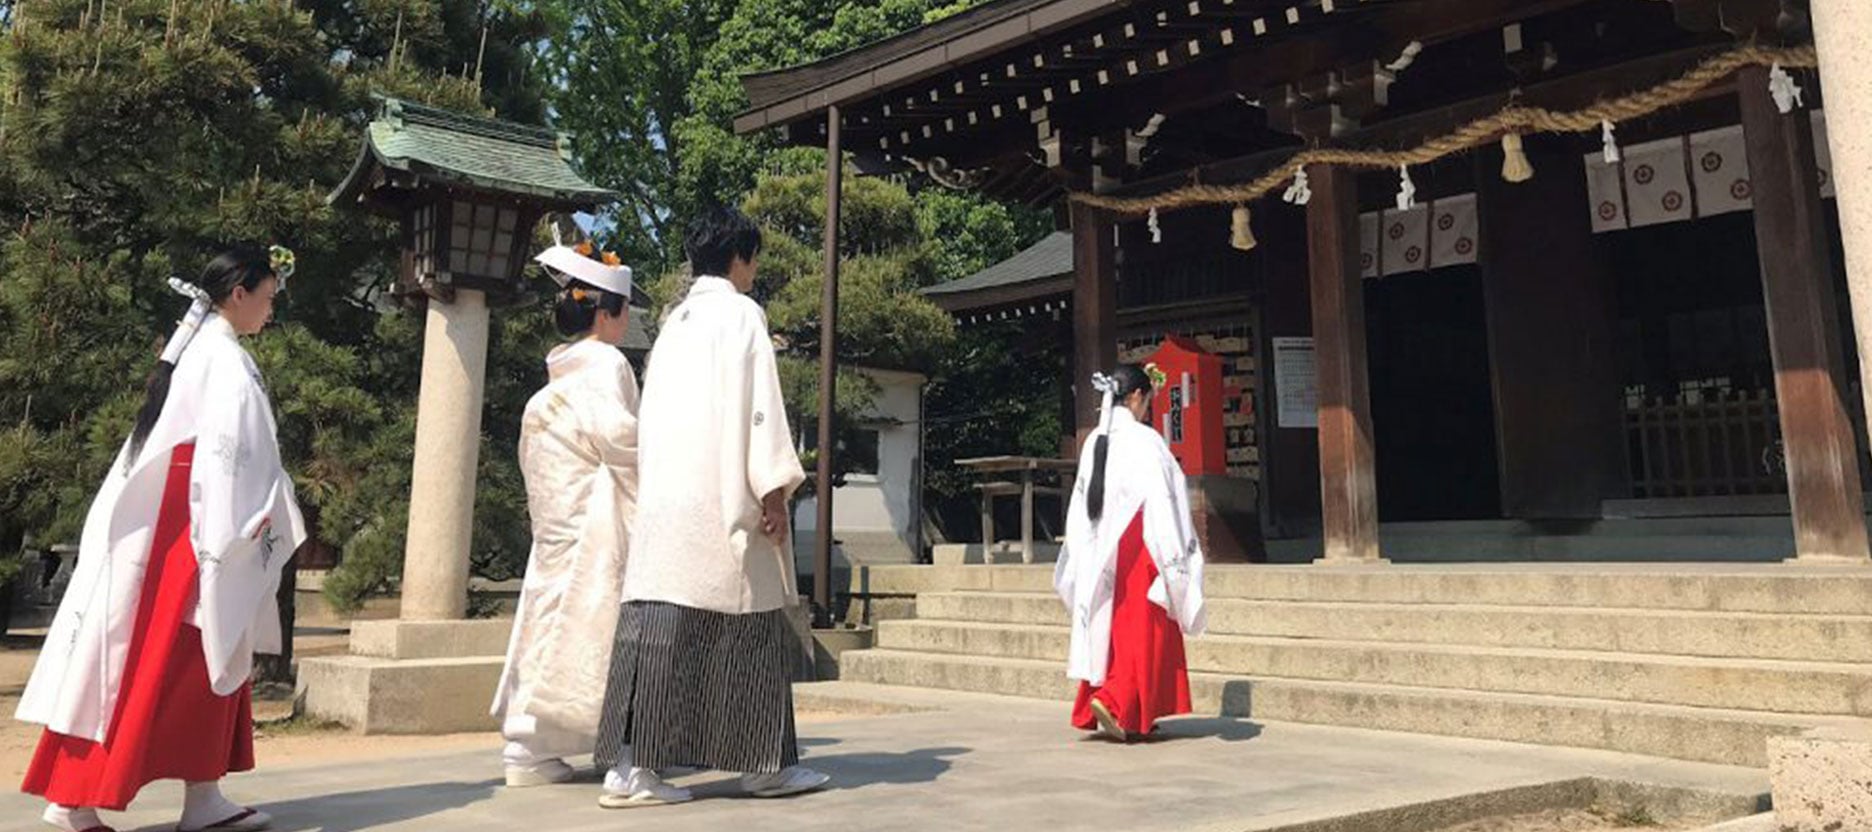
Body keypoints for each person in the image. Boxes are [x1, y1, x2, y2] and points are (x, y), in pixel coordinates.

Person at [17, 246, 306, 832]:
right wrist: (233, 536)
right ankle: (82, 797)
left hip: (179, 524)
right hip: (199, 527)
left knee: (173, 665)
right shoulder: (222, 361)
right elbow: (230, 462)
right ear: (239, 294)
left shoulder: (203, 353)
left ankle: (196, 797)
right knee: (162, 664)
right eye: (269, 297)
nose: (271, 310)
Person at [591, 206, 828, 808]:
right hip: (722, 497)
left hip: (668, 501)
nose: (754, 272)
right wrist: (772, 492)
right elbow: (760, 412)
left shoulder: (674, 323)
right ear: (739, 258)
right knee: (748, 629)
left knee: (658, 632)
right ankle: (761, 766)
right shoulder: (741, 315)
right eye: (753, 261)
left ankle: (629, 765)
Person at [491, 240, 641, 787]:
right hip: (594, 522)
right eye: (624, 311)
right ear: (607, 313)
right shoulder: (607, 363)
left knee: (545, 619)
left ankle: (525, 747)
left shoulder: (550, 385)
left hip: (554, 524)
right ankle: (621, 739)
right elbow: (624, 442)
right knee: (598, 625)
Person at [1054, 362, 1207, 741]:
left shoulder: (1094, 441)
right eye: (1146, 402)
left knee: (1110, 627)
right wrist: (1176, 554)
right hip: (1140, 543)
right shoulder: (1145, 440)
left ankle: (1112, 703)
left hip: (1099, 545)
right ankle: (1118, 700)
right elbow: (1164, 497)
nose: (1146, 410)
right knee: (1143, 628)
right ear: (1136, 396)